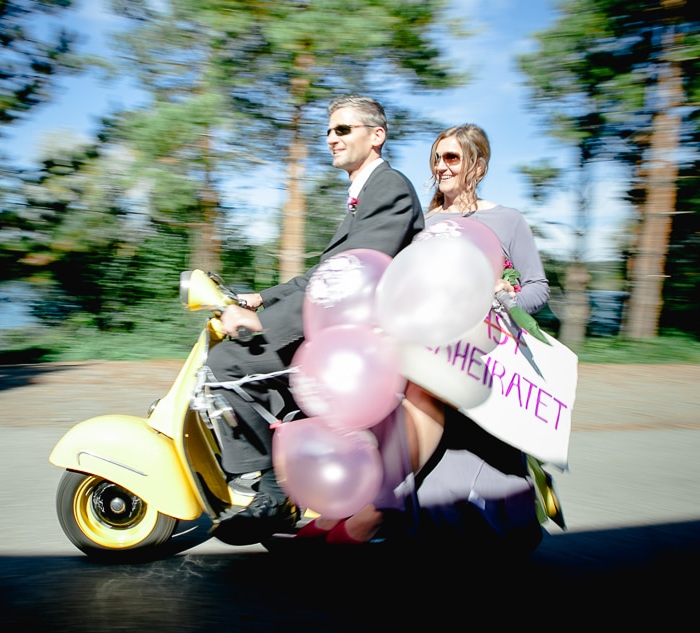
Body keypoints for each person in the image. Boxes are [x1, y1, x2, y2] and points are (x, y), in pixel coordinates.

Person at [295, 123, 551, 553]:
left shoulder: (507, 220)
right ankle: (344, 497)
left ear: (478, 164)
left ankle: (376, 510)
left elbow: (538, 289)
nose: (441, 166)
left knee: (425, 387)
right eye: (436, 157)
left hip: (478, 346)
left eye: (452, 157)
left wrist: (504, 297)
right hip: (418, 337)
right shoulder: (425, 222)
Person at [206, 95, 425, 546]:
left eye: (343, 129)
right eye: (328, 131)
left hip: (362, 341)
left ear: (376, 135)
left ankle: (273, 492)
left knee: (228, 364)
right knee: (243, 361)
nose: (331, 138)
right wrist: (260, 298)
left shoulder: (390, 189)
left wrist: (262, 323)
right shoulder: (363, 195)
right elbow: (323, 273)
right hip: (341, 331)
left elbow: (349, 278)